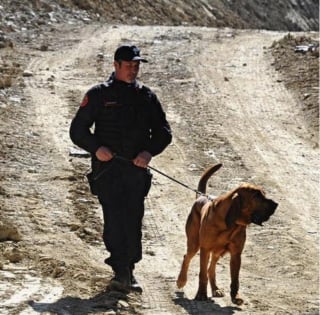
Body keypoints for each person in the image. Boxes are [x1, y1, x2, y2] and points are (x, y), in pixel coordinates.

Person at [69, 45, 172, 292]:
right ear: (116, 65)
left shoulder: (147, 97)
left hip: (136, 172)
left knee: (133, 219)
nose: (133, 70)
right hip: (108, 171)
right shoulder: (98, 95)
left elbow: (163, 133)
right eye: (128, 65)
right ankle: (120, 270)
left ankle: (130, 269)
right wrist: (96, 148)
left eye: (136, 66)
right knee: (114, 219)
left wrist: (148, 152)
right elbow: (78, 131)